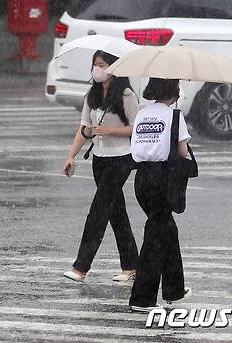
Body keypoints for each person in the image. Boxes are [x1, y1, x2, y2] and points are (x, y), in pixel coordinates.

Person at [62, 50, 139, 284]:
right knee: (117, 213)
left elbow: (136, 128)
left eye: (102, 64)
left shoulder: (126, 95)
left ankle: (81, 266)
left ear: (114, 68)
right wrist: (71, 156)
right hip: (100, 158)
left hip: (121, 158)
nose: (97, 69)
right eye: (95, 65)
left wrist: (110, 131)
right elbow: (84, 127)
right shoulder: (92, 95)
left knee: (98, 210)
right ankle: (131, 265)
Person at [128, 78, 192, 312]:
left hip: (141, 178)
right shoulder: (175, 116)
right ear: (174, 91)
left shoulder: (143, 114)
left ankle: (174, 291)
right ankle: (142, 298)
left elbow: (135, 145)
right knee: (156, 236)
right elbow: (183, 152)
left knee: (166, 229)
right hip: (163, 179)